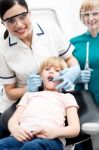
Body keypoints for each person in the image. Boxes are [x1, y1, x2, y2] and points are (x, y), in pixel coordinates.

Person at [0, 0, 80, 137]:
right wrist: (28, 89)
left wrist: (75, 70)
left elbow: (69, 58)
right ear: (3, 23)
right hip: (20, 107)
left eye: (22, 16)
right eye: (11, 20)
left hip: (51, 103)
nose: (19, 25)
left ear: (30, 14)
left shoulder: (50, 29)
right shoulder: (3, 50)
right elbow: (10, 92)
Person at [0, 56, 80, 150]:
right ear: (41, 76)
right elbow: (13, 120)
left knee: (32, 146)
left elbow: (75, 129)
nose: (51, 71)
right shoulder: (29, 95)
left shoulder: (67, 97)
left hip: (51, 139)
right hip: (22, 136)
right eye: (47, 69)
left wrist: (54, 132)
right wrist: (15, 129)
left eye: (57, 70)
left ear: (65, 77)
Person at [70, 0, 99, 149]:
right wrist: (77, 75)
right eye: (86, 14)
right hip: (83, 102)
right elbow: (64, 73)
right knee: (84, 143)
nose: (90, 18)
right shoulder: (73, 43)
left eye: (95, 13)